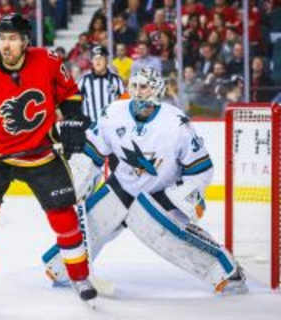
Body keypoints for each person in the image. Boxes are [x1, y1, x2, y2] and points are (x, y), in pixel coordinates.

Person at [42, 67, 248, 295]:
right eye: (134, 86)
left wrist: (185, 195)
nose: (138, 92)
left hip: (160, 194)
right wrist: (79, 180)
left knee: (172, 239)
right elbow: (92, 154)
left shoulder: (177, 124)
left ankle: (227, 272)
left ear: (157, 89)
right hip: (122, 186)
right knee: (91, 223)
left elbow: (201, 168)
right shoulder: (113, 113)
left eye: (144, 86)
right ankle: (62, 267)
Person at [0, 13, 96, 312]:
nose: (6, 44)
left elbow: (69, 95)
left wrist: (73, 121)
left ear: (25, 42)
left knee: (65, 219)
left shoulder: (48, 60)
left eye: (13, 38)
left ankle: (80, 278)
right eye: (2, 38)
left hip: (41, 153)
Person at [77, 46, 124, 124]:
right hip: (90, 126)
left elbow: (124, 102)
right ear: (92, 61)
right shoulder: (84, 80)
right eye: (95, 58)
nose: (97, 61)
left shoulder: (116, 80)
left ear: (106, 60)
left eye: (101, 58)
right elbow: (75, 102)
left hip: (111, 124)